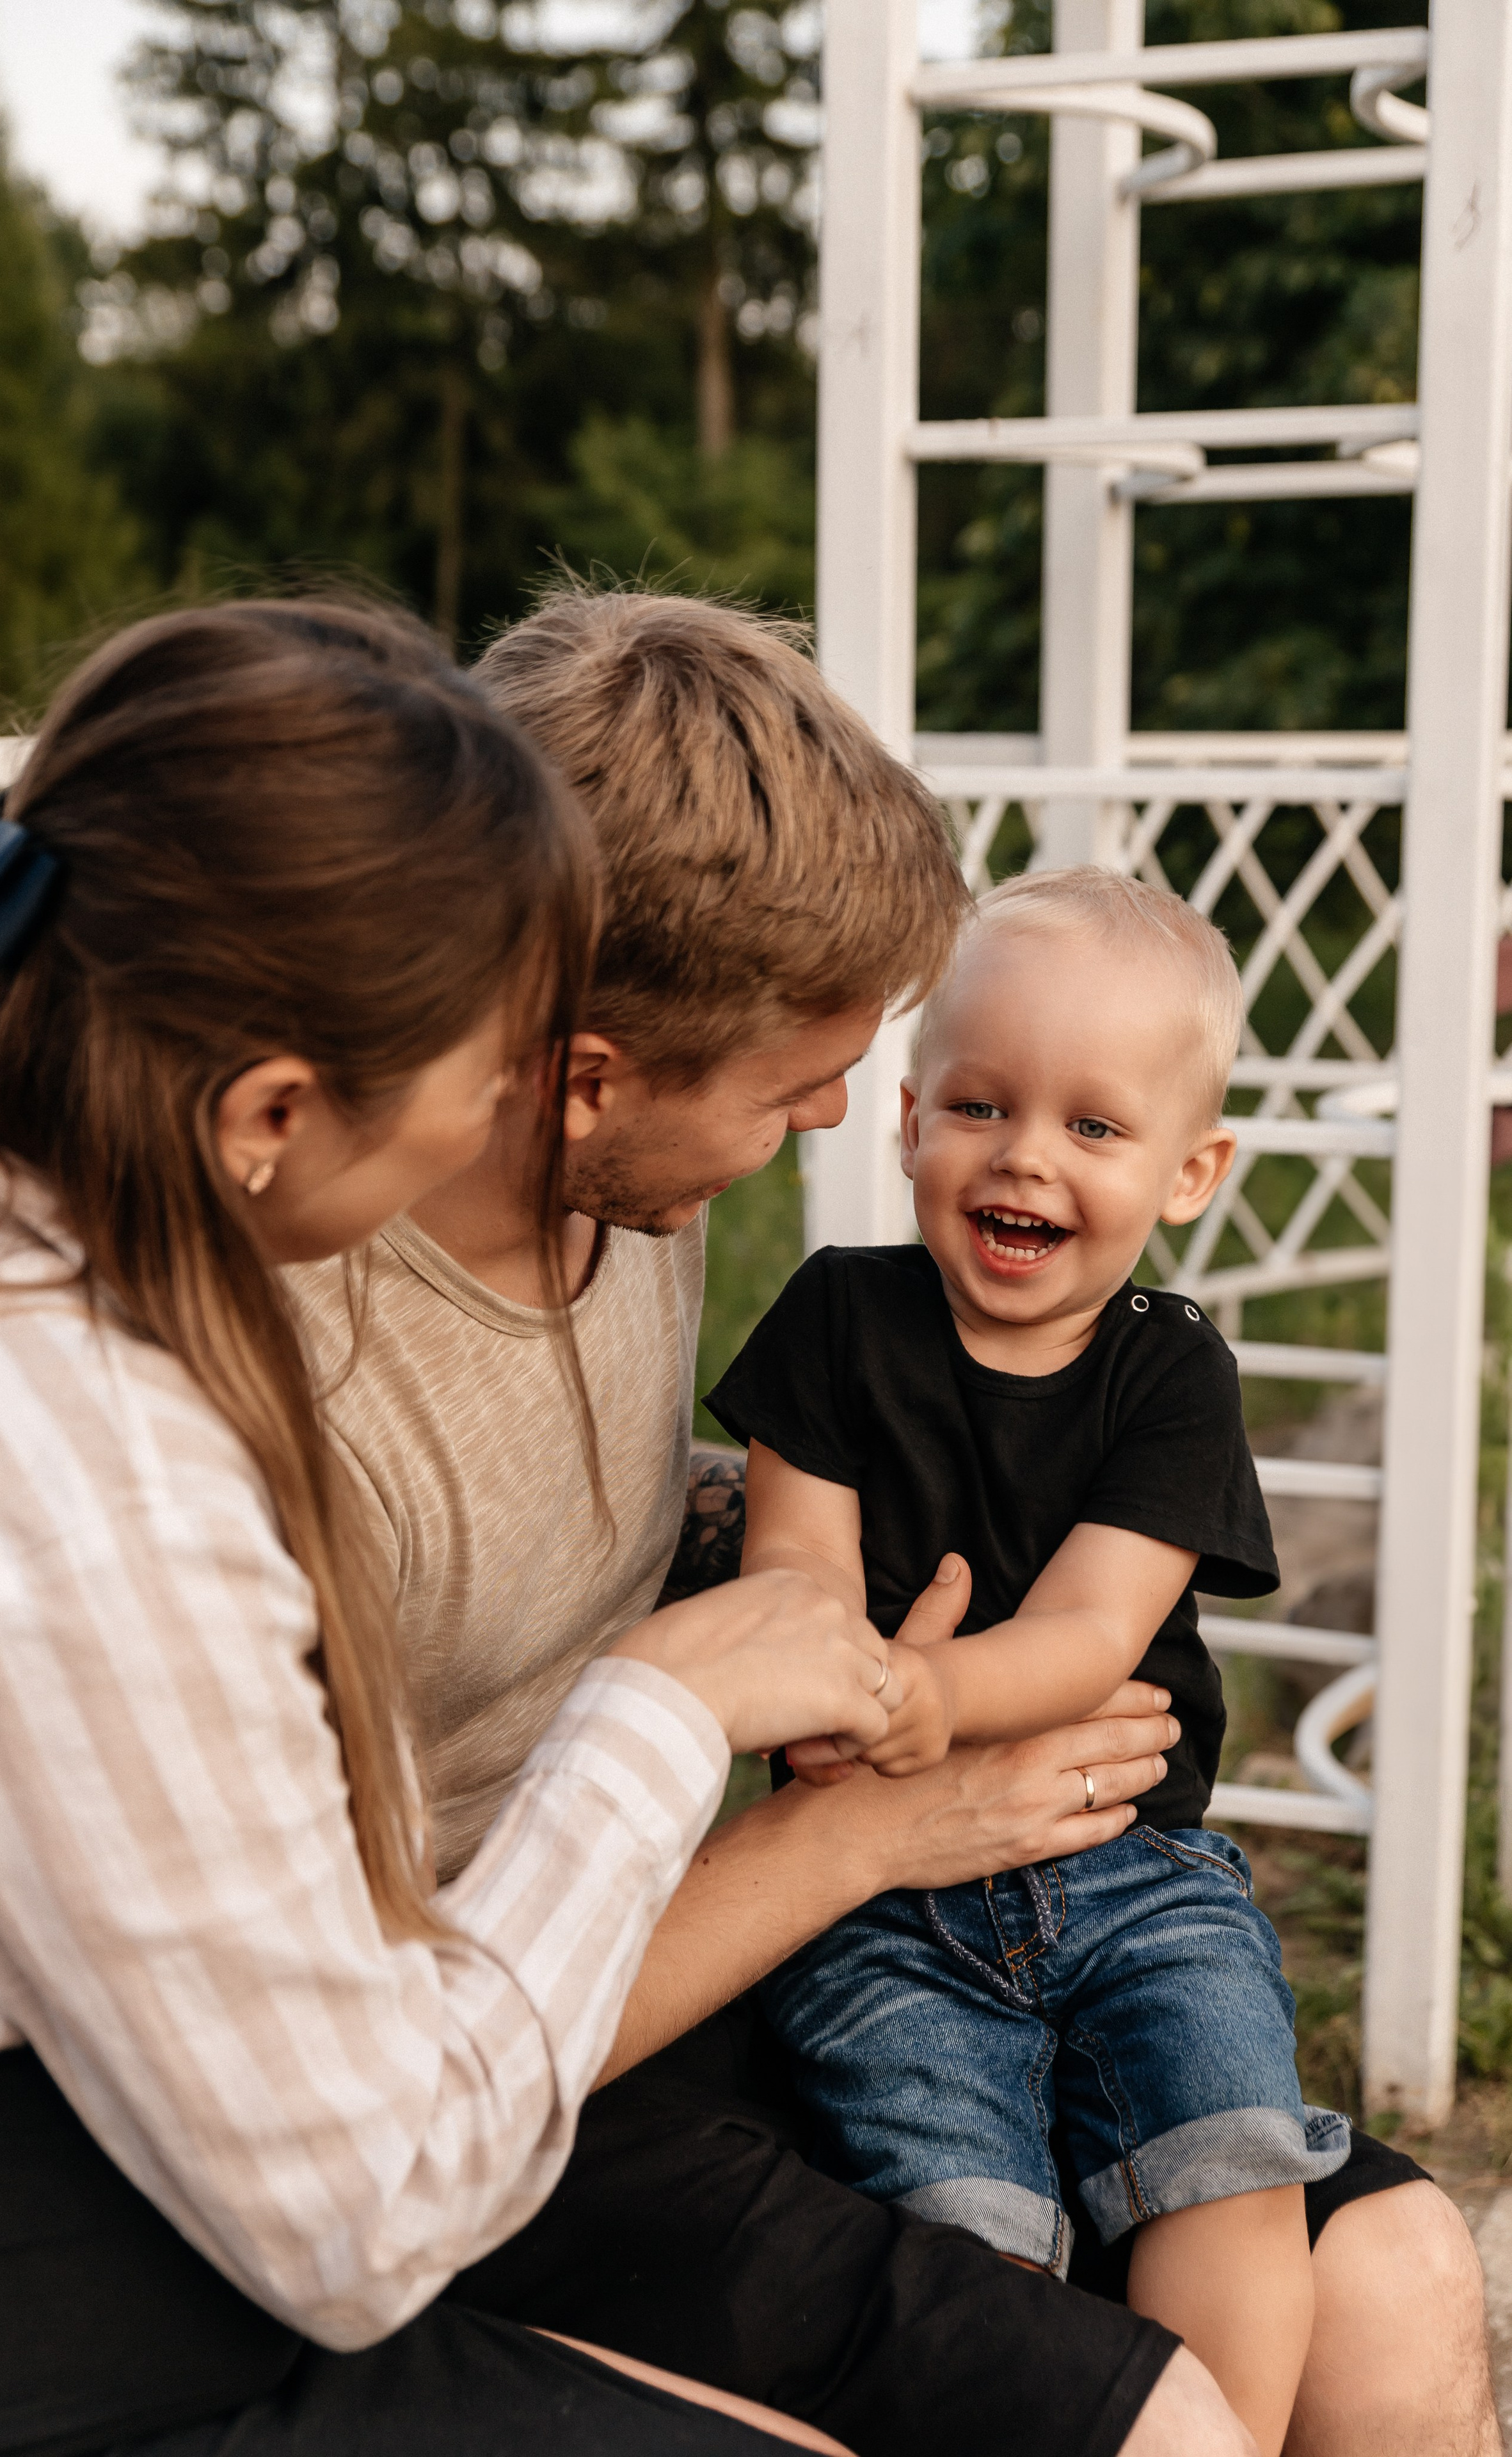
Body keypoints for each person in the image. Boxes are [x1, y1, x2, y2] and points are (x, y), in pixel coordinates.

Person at [294, 584, 1496, 2457]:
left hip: (782, 1893)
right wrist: (882, 1813)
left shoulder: (638, 1196)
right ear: (589, 1075)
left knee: (1398, 2278)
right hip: (540, 2059)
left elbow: (736, 1525)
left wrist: (875, 1634)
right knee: (1136, 2410)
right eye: (801, 1081)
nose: (842, 1113)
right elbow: (358, 2067)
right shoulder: (308, 1394)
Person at [0, 595, 928, 2457]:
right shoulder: (88, 1493)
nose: (498, 1124)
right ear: (274, 1111)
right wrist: (661, 1711)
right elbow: (375, 2201)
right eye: (479, 1071)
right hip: (21, 2292)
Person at [712, 870, 1344, 2456]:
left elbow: (1087, 1635)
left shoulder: (1168, 1372)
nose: (1023, 1156)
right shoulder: (837, 1316)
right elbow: (793, 1569)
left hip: (1127, 1866)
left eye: (1092, 1126)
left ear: (1187, 1173)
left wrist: (913, 1697)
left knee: (1224, 2144)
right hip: (879, 1898)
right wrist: (824, 1687)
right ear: (908, 1121)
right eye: (980, 1106)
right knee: (951, 2209)